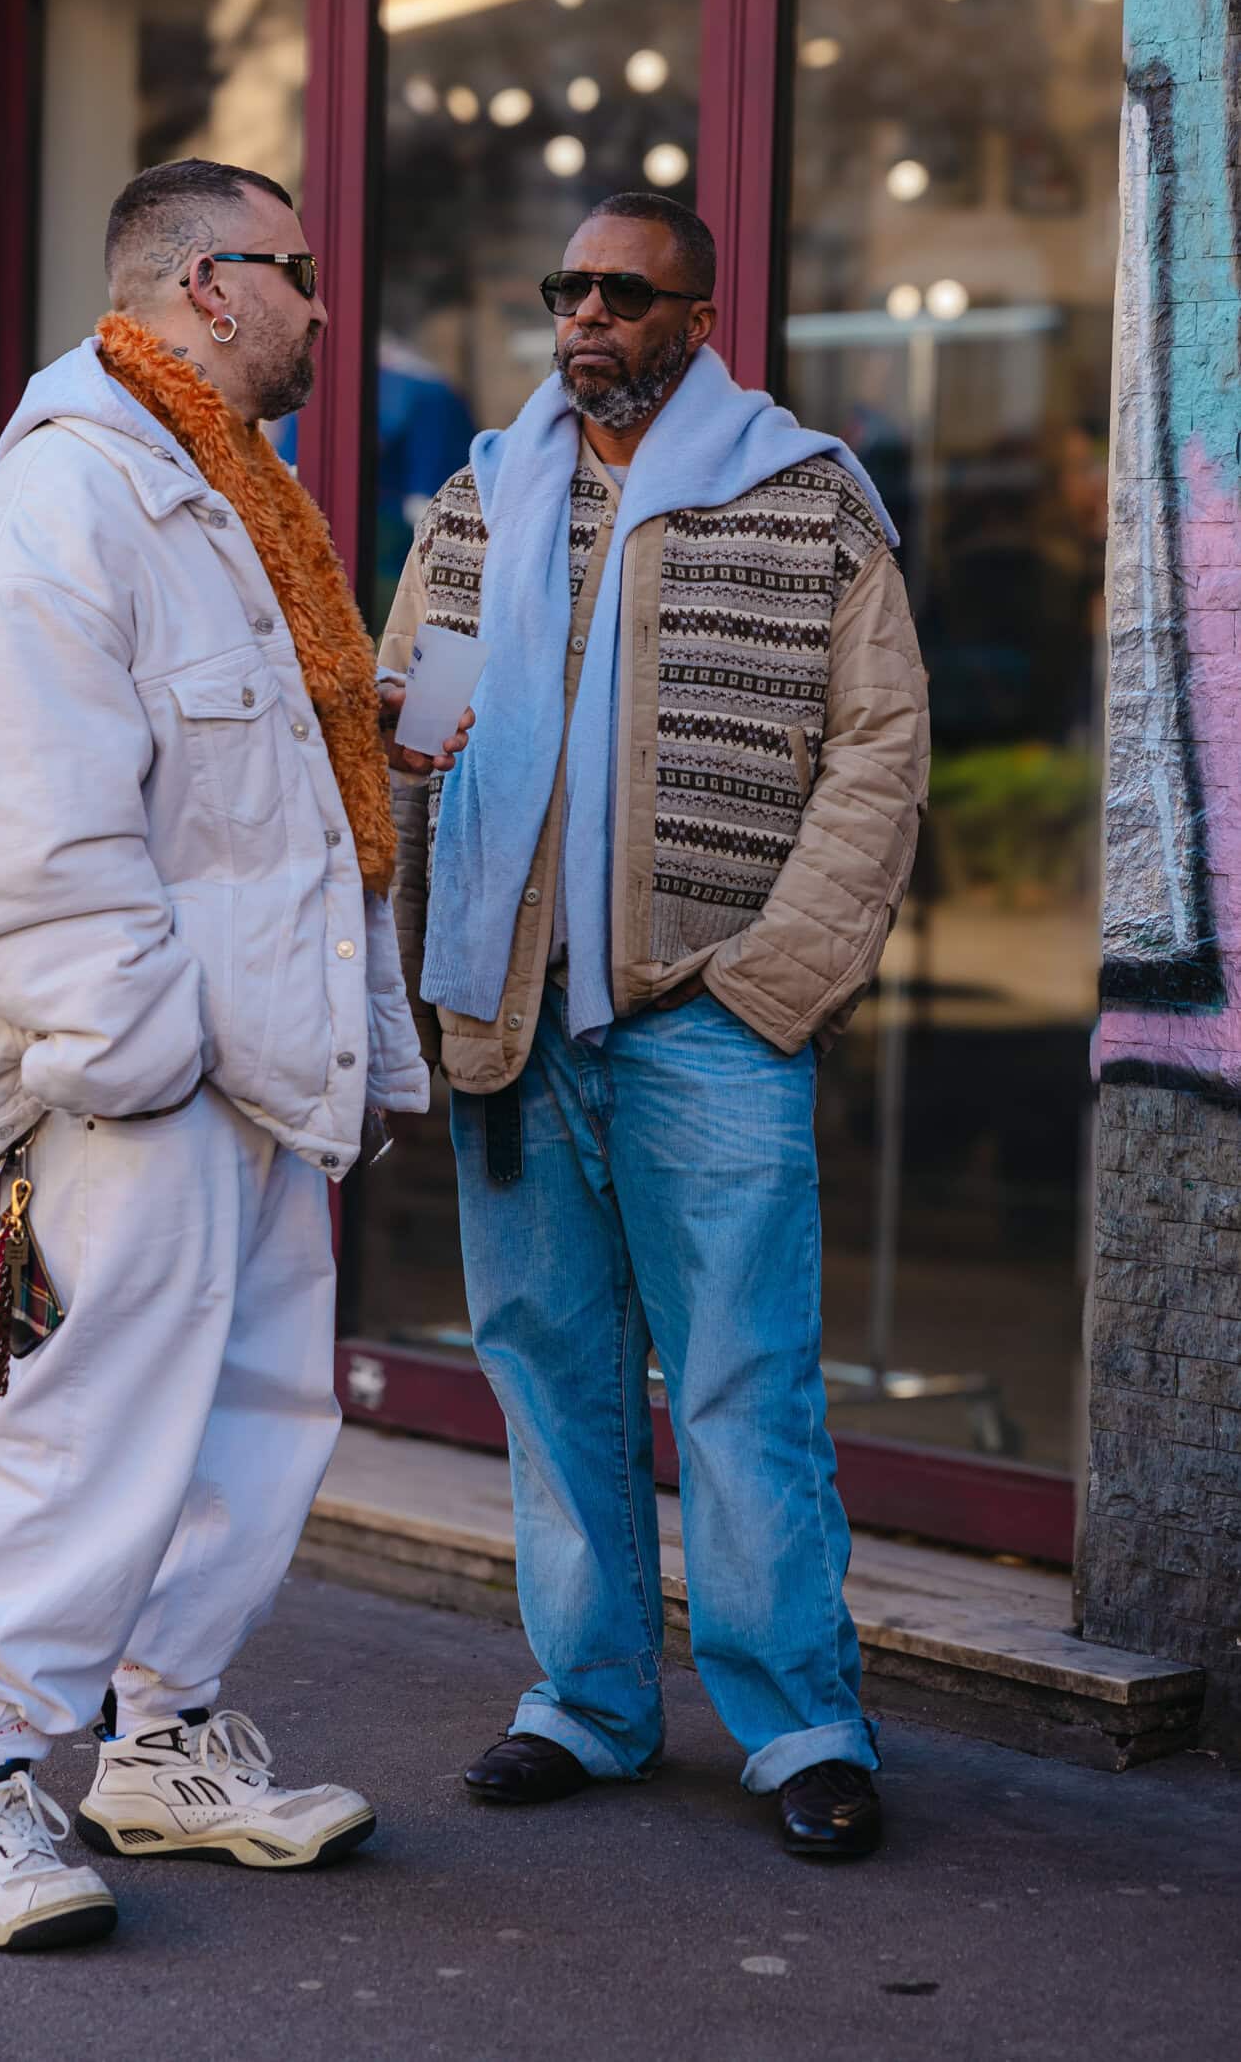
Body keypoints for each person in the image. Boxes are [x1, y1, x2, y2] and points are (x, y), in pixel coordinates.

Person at [0, 159, 465, 1951]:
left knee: (256, 1419)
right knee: (90, 1429)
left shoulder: (225, 491)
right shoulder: (78, 499)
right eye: (298, 273)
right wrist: (132, 1055)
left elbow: (225, 789)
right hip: (144, 1072)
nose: (323, 308)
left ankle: (162, 1739)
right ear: (207, 287)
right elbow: (5, 825)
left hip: (249, 1063)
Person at [382, 192, 928, 1859]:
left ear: (699, 316)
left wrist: (774, 988)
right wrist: (413, 963)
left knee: (742, 1386)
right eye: (571, 289)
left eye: (628, 291)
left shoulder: (804, 496)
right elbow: (408, 729)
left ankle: (802, 1723)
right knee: (549, 1375)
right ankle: (591, 1702)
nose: (590, 317)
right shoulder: (482, 500)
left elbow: (880, 759)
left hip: (709, 1020)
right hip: (512, 1016)